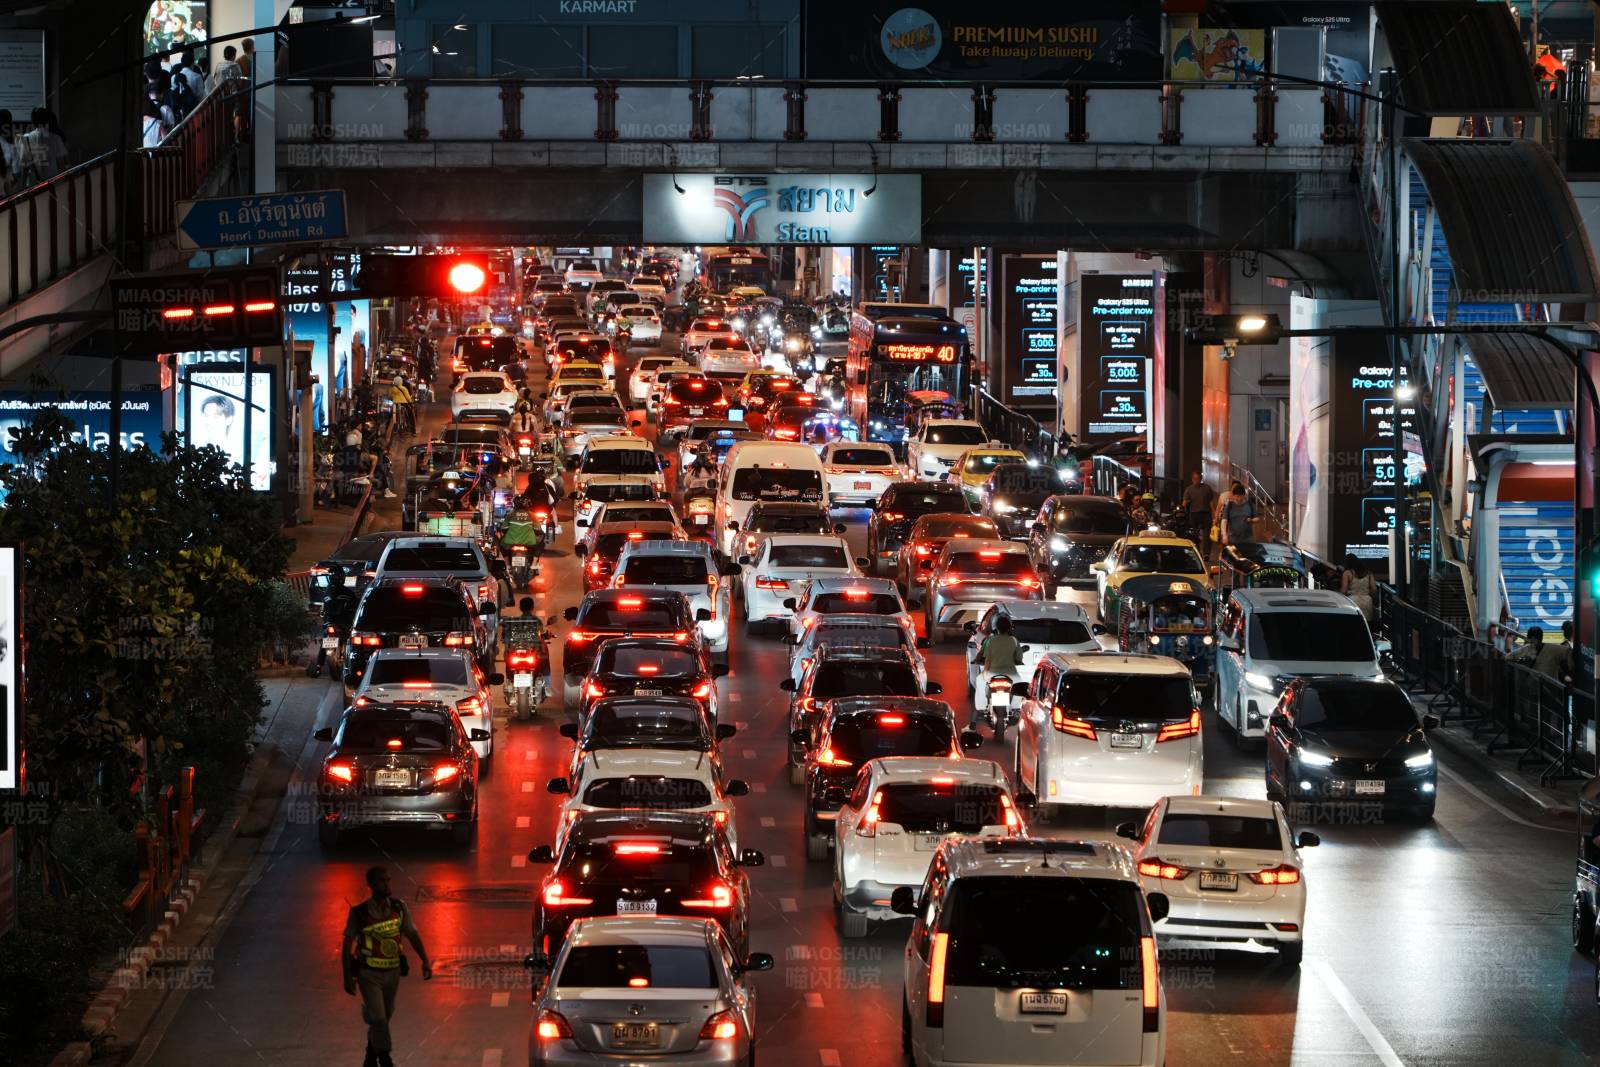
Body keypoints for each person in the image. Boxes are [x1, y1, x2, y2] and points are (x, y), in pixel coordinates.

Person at [342, 866, 431, 1067]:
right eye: (382, 881)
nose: (387, 884)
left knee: (383, 1017)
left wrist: (425, 960)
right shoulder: (360, 913)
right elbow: (347, 945)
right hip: (368, 974)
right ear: (372, 885)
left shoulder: (399, 908)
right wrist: (347, 976)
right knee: (379, 1019)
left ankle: (370, 1057)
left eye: (388, 880)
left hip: (393, 973)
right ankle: (385, 1058)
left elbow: (412, 934)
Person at [970, 615, 1025, 729]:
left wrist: (985, 672)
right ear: (1009, 628)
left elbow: (988, 659)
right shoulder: (1014, 641)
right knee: (1020, 685)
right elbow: (1019, 658)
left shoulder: (991, 641)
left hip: (992, 673)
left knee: (979, 680)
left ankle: (982, 706)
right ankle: (1015, 708)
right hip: (1012, 675)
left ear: (996, 628)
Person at [18, 108, 67, 184]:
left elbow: (24, 168)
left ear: (33, 122)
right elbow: (61, 165)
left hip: (34, 186)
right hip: (54, 183)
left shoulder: (25, 139)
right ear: (47, 120)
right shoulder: (56, 138)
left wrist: (22, 187)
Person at [1181, 471, 1217, 550]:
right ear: (1192, 479)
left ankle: (1206, 554)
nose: (1196, 480)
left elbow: (1211, 503)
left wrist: (1214, 515)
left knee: (1207, 535)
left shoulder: (1207, 488)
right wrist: (1182, 511)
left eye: (1198, 479)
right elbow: (1184, 503)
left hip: (1206, 514)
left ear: (1201, 479)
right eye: (1195, 479)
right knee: (1194, 535)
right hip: (1194, 514)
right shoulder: (1189, 489)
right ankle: (1197, 551)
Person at [1218, 482, 1258, 546]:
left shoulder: (1250, 504)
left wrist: (1252, 520)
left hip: (1248, 540)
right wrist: (1224, 535)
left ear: (1244, 495)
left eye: (1241, 496)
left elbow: (1257, 518)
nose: (1239, 499)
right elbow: (1224, 521)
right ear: (1233, 495)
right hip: (1232, 540)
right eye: (1237, 496)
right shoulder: (1229, 505)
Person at [1340, 554, 1377, 622]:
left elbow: (1344, 590)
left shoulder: (1347, 573)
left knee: (1354, 623)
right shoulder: (1368, 573)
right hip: (1367, 601)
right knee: (1366, 623)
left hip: (1352, 601)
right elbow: (1374, 589)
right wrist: (1368, 594)